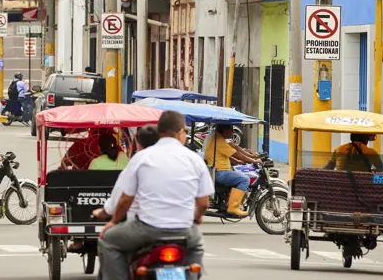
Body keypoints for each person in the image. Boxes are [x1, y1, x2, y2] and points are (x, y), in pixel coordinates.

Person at [98, 111, 214, 280]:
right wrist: (197, 218)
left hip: (147, 229)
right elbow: (203, 203)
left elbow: (125, 200)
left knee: (108, 240)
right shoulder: (194, 159)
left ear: (160, 131)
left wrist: (114, 222)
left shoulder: (142, 158)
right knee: (197, 246)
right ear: (180, 131)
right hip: (184, 230)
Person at [93, 125, 160, 222]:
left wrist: (112, 221)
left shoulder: (137, 160)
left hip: (140, 221)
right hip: (168, 220)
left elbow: (123, 198)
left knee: (107, 235)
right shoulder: (124, 158)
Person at [203, 124, 260, 217]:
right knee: (245, 179)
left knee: (239, 173)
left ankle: (229, 201)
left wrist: (240, 161)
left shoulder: (218, 138)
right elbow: (236, 153)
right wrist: (253, 160)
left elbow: (228, 154)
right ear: (224, 130)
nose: (233, 132)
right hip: (220, 173)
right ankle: (233, 207)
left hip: (219, 170)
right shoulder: (219, 140)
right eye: (231, 130)